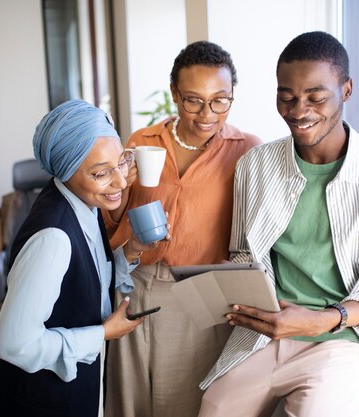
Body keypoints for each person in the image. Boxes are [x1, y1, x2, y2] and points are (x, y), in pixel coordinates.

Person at [198, 31, 359, 417]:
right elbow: (243, 251)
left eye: (316, 97)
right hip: (265, 334)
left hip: (342, 341)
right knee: (214, 408)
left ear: (347, 89)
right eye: (286, 97)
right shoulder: (255, 166)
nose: (298, 110)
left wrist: (325, 319)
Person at [103, 41, 262, 417]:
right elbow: (111, 222)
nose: (207, 113)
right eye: (193, 100)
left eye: (220, 100)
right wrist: (118, 187)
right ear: (174, 94)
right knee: (130, 399)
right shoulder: (141, 142)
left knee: (187, 402)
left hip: (202, 292)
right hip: (136, 283)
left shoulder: (248, 151)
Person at [0, 100, 166, 417]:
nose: (122, 182)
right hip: (43, 400)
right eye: (101, 173)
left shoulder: (80, 200)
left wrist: (132, 249)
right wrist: (102, 334)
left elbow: (85, 272)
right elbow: (13, 344)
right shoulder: (53, 238)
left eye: (121, 162)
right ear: (67, 170)